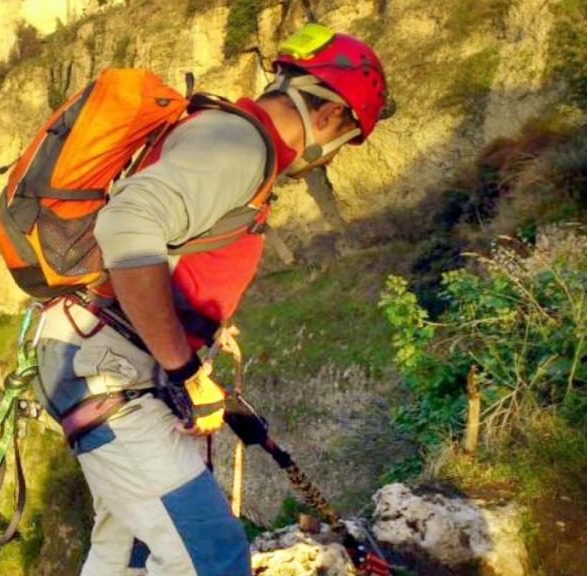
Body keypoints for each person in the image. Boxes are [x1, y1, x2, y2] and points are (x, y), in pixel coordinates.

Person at [32, 24, 392, 576]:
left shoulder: (228, 136)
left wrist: (197, 332)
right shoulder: (239, 145)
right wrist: (183, 369)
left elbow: (175, 249)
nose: (333, 158)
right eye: (349, 139)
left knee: (126, 552)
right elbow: (128, 226)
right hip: (108, 367)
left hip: (100, 356)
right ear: (330, 117)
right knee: (212, 557)